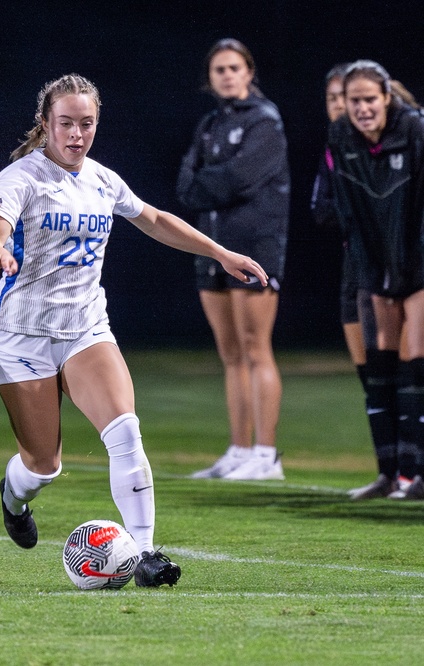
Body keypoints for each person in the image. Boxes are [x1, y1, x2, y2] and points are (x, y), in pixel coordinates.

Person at [0, 72, 267, 587]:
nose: (76, 134)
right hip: (21, 335)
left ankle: (149, 554)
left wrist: (220, 253)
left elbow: (153, 219)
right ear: (45, 124)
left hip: (86, 327)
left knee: (126, 432)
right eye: (65, 123)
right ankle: (13, 495)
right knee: (43, 466)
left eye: (86, 124)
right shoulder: (20, 178)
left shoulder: (103, 180)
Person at [177, 39, 290, 481]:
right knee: (230, 354)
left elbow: (241, 179)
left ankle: (267, 454)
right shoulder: (209, 124)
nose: (226, 75)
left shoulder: (266, 121)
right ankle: (240, 450)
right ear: (211, 78)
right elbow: (186, 186)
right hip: (213, 249)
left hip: (255, 247)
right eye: (219, 69)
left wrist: (211, 181)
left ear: (249, 72)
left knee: (255, 347)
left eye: (234, 67)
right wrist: (213, 182)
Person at [325, 60, 424, 500]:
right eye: (354, 101)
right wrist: (374, 273)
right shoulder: (341, 137)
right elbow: (348, 212)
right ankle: (389, 474)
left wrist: (405, 267)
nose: (362, 108)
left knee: (414, 365)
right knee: (380, 369)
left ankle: (414, 474)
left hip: (419, 264)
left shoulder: (416, 130)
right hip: (377, 268)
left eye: (369, 99)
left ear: (386, 97)